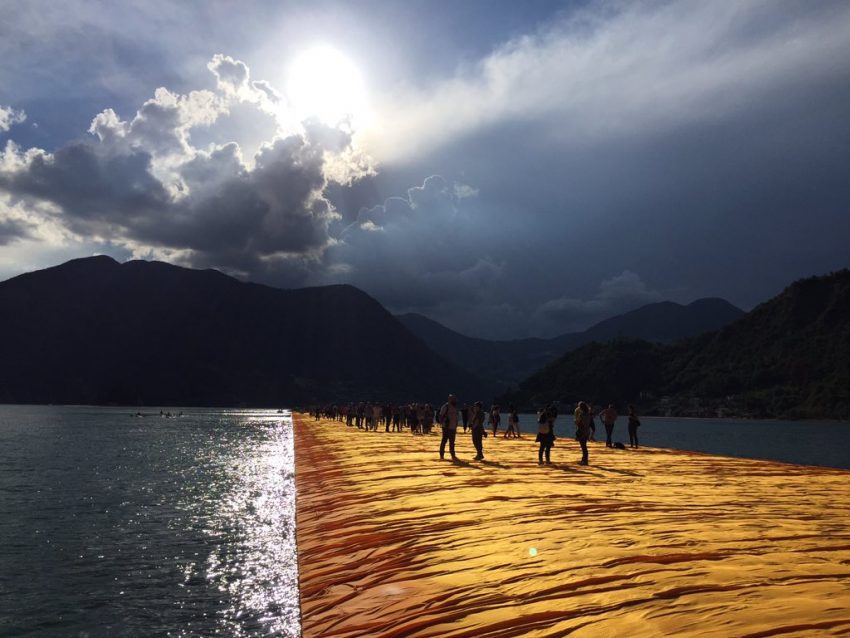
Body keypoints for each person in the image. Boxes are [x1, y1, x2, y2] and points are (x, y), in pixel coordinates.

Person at [438, 394, 459, 460]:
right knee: (444, 441)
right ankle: (441, 455)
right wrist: (443, 422)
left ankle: (453, 455)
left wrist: (456, 425)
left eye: (454, 399)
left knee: (452, 442)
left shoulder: (455, 407)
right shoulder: (445, 407)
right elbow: (441, 416)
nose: (454, 400)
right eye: (453, 399)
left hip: (453, 428)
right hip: (446, 427)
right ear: (449, 400)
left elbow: (456, 417)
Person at [574, 401, 591, 465]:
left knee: (583, 447)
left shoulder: (582, 415)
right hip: (587, 431)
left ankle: (584, 461)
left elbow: (579, 423)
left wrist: (576, 422)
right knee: (584, 446)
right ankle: (584, 460)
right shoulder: (588, 414)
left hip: (582, 431)